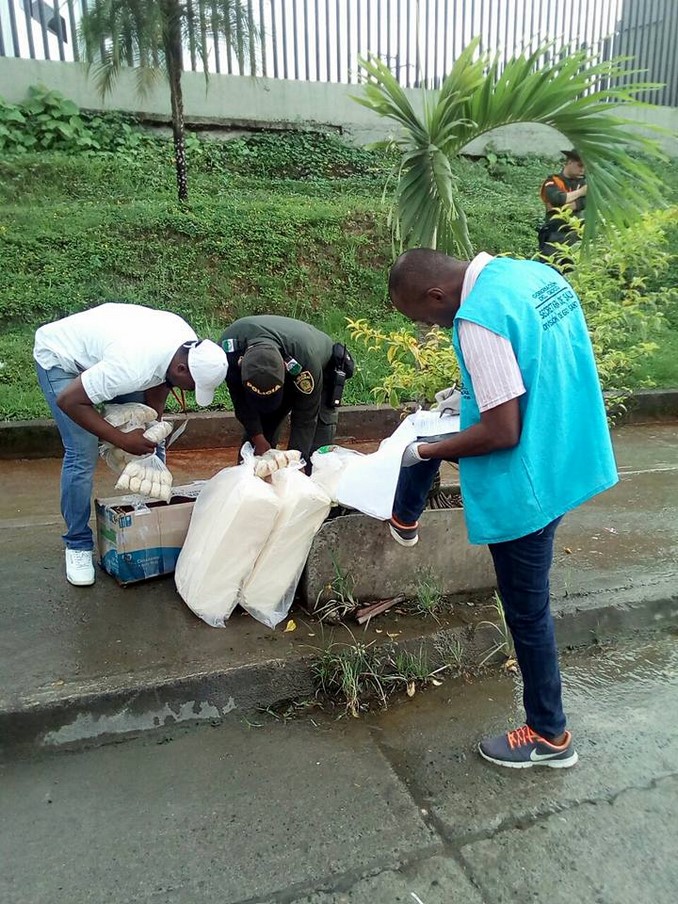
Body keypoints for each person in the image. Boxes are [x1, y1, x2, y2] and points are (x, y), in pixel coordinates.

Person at [387, 248, 618, 770]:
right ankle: (547, 729)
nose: (430, 327)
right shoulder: (528, 274)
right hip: (566, 451)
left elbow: (501, 430)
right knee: (530, 604)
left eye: (424, 318)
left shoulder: (476, 320)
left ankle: (548, 735)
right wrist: (465, 393)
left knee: (527, 611)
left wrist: (424, 451)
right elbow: (535, 358)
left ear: (438, 295)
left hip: (529, 478)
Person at [34, 303, 228, 587]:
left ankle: (154, 524)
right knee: (82, 450)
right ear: (182, 367)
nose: (188, 392)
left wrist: (151, 427)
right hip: (61, 359)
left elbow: (162, 383)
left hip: (111, 355)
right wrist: (121, 438)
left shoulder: (187, 345)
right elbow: (70, 401)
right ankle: (77, 545)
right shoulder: (131, 366)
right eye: (191, 386)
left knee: (147, 433)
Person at [220, 315, 353, 467]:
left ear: (284, 368)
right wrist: (258, 437)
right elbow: (240, 402)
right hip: (274, 367)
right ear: (241, 363)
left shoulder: (306, 364)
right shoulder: (228, 351)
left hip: (318, 367)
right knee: (255, 450)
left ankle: (311, 478)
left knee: (316, 455)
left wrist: (294, 465)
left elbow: (305, 419)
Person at [538, 149, 587, 266]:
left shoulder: (584, 183)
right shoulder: (552, 182)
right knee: (550, 269)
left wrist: (564, 202)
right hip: (554, 237)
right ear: (569, 162)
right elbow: (557, 199)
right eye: (580, 165)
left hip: (577, 237)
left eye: (584, 167)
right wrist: (581, 192)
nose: (582, 169)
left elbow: (585, 203)